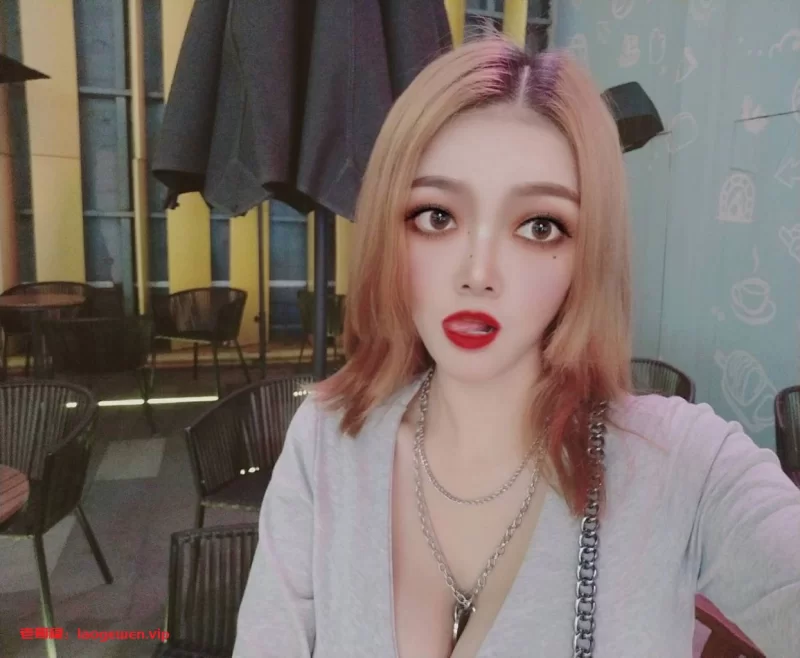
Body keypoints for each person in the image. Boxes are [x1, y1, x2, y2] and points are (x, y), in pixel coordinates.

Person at [233, 34, 800, 658]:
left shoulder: (682, 465)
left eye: (539, 226)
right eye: (437, 216)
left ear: (587, 254)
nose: (478, 273)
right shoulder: (326, 441)